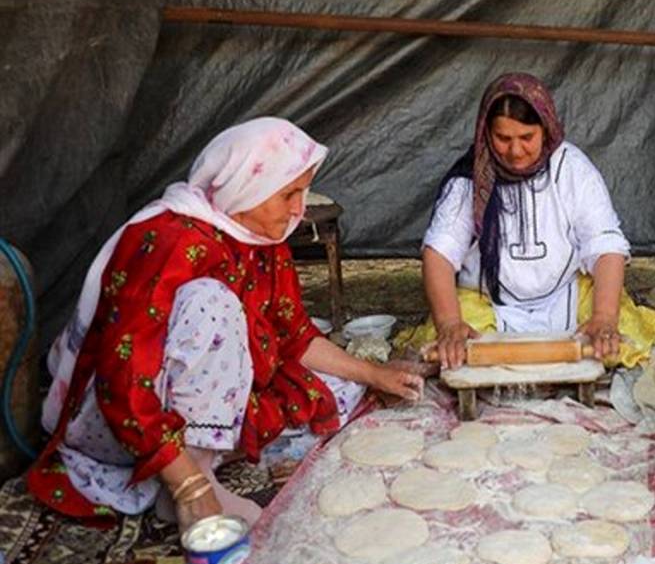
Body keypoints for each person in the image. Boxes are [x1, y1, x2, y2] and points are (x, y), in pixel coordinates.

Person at [29, 118, 423, 531]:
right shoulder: (168, 240)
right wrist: (190, 488)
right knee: (213, 306)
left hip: (181, 406)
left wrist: (376, 374)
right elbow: (124, 382)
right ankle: (191, 481)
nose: (299, 209)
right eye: (289, 193)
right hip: (118, 421)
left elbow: (294, 337)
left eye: (303, 192)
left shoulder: (261, 241)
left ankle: (203, 459)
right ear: (245, 187)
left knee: (342, 389)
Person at [414, 72, 655, 368]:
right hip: (490, 304)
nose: (515, 150)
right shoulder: (469, 180)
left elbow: (605, 245)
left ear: (545, 129)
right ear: (486, 132)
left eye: (526, 137)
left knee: (620, 337)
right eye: (503, 138)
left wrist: (603, 318)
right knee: (449, 348)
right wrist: (450, 324)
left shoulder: (572, 168)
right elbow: (439, 254)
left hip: (568, 296)